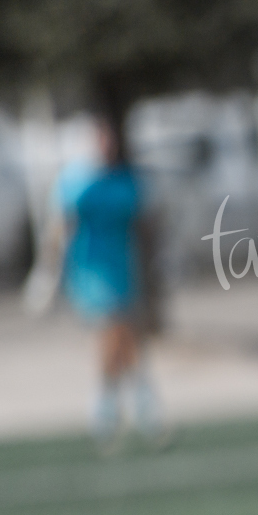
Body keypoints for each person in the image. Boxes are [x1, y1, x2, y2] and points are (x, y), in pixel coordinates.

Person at [56, 116, 164, 450]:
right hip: (90, 266)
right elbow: (63, 226)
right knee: (112, 329)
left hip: (122, 265)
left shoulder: (126, 181)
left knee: (127, 332)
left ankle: (120, 400)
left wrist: (156, 265)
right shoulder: (76, 182)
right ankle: (122, 402)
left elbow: (145, 226)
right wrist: (49, 271)